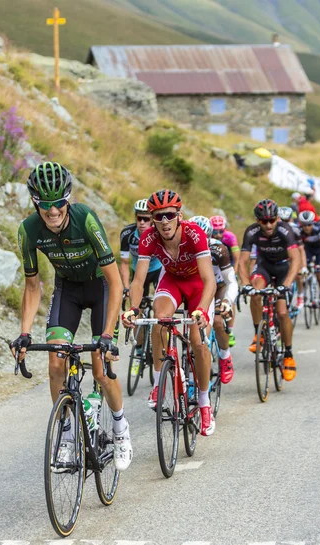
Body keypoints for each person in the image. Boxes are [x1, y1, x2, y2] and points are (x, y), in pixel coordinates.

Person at [11, 162, 132, 471]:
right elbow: (33, 285)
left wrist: (107, 335)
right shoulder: (29, 230)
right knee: (55, 362)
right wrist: (24, 333)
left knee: (101, 369)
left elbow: (116, 281)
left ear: (68, 198)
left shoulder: (86, 220)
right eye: (45, 204)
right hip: (68, 290)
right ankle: (66, 434)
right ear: (35, 202)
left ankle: (120, 429)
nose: (52, 211)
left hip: (100, 287)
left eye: (59, 203)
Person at [122, 189, 217, 436]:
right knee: (159, 321)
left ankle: (205, 403)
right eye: (158, 216)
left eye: (169, 215)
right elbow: (138, 280)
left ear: (179, 215)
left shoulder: (194, 234)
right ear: (152, 219)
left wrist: (203, 310)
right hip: (172, 281)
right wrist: (133, 308)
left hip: (198, 284)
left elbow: (209, 280)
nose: (164, 221)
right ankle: (158, 384)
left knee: (197, 342)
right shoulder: (148, 239)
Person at [238, 199, 301, 382]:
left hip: (283, 268)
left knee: (282, 312)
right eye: (264, 221)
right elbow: (242, 261)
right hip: (264, 266)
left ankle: (288, 354)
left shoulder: (285, 231)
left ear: (277, 218)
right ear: (258, 220)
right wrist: (245, 283)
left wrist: (287, 283)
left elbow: (295, 259)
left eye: (272, 220)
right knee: (255, 293)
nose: (268, 225)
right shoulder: (251, 232)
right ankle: (259, 334)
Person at [190, 215, 236, 385]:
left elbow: (231, 282)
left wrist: (227, 301)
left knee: (217, 322)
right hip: (199, 290)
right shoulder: (183, 250)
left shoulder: (219, 250)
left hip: (219, 287)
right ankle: (192, 375)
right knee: (194, 334)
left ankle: (225, 356)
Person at [120, 199, 162, 298]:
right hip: (138, 270)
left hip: (157, 269)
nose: (142, 222)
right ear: (135, 218)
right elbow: (124, 263)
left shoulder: (159, 232)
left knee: (160, 302)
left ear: (152, 219)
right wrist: (126, 288)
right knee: (137, 305)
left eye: (146, 219)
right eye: (139, 218)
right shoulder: (127, 234)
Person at [210, 215, 240, 347]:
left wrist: (234, 273)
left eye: (220, 231)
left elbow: (237, 258)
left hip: (228, 264)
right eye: (214, 232)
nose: (217, 235)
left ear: (225, 230)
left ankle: (230, 329)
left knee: (229, 297)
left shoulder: (230, 237)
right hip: (214, 266)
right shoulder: (209, 240)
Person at [298, 211, 320, 307]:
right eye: (304, 225)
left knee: (319, 274)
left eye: (309, 225)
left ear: (313, 223)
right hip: (307, 251)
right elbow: (298, 249)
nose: (307, 227)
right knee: (302, 273)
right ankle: (303, 293)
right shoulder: (299, 231)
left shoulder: (319, 229)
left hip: (319, 250)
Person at [278, 206, 307, 309]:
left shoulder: (295, 229)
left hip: (294, 255)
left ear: (291, 218)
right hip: (281, 256)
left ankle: (300, 295)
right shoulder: (274, 228)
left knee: (298, 275)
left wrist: (303, 266)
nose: (285, 223)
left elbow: (301, 249)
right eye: (282, 220)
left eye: (287, 220)